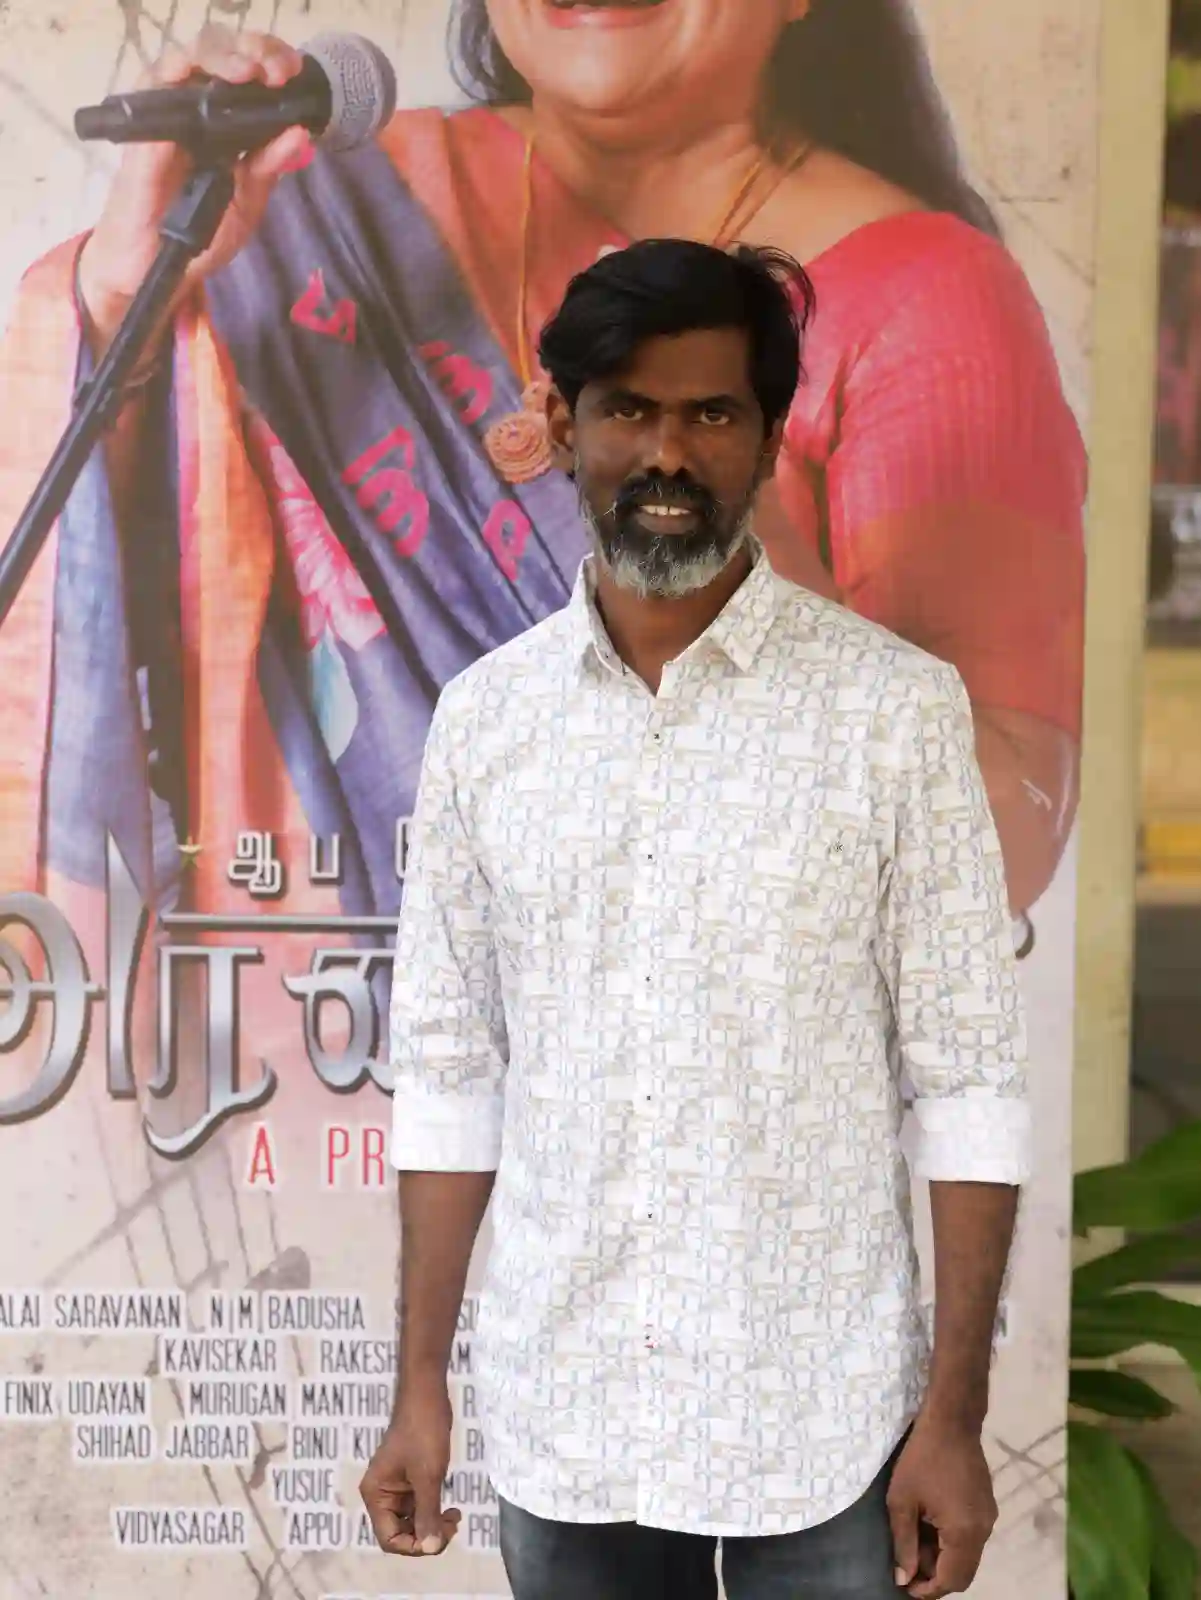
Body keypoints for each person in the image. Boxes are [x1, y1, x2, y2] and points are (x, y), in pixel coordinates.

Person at [0, 0, 1083, 946]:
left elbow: (1001, 840)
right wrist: (125, 300)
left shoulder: (926, 298)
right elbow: (88, 615)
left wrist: (729, 547)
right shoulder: (312, 203)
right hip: (310, 1060)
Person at [360, 239, 1030, 1600]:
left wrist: (953, 1419)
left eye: (712, 413)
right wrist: (419, 1385)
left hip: (826, 1428)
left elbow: (968, 1084)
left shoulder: (892, 714)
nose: (667, 454)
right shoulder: (488, 724)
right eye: (629, 410)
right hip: (568, 1409)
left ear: (771, 441)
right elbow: (447, 1076)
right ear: (564, 430)